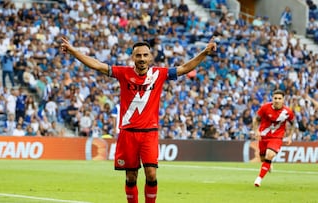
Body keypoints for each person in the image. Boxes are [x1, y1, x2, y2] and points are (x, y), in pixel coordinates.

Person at [61, 37, 216, 203]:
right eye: (138, 55)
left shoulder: (159, 73)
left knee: (151, 173)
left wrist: (205, 53)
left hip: (149, 133)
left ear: (150, 57)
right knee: (131, 177)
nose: (142, 59)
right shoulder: (123, 73)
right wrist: (74, 51)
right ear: (133, 57)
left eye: (145, 55)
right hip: (128, 133)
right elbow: (97, 65)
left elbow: (185, 68)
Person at [252, 89, 296, 187]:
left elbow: (293, 123)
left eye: (279, 98)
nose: (277, 100)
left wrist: (290, 136)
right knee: (263, 158)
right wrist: (256, 131)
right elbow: (256, 119)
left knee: (270, 154)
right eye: (275, 98)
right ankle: (268, 164)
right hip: (263, 136)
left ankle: (258, 179)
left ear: (283, 100)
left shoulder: (287, 112)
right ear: (272, 98)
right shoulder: (265, 108)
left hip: (276, 137)